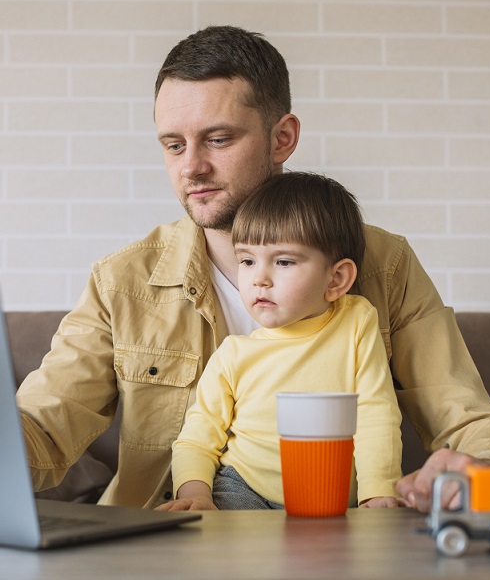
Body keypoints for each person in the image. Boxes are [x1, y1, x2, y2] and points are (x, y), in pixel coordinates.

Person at [0, 25, 490, 512]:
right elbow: (41, 428)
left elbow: (472, 419)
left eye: (218, 138)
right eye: (172, 144)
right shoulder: (123, 279)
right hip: (153, 551)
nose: (191, 168)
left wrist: (475, 467)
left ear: (283, 135)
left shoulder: (380, 262)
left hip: (328, 546)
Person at [158, 172, 405, 511]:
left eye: (284, 261)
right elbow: (198, 436)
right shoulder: (233, 354)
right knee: (217, 542)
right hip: (245, 489)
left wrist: (378, 492)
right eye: (247, 260)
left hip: (331, 497)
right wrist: (195, 494)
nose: (259, 279)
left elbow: (376, 412)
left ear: (336, 279)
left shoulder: (356, 323)